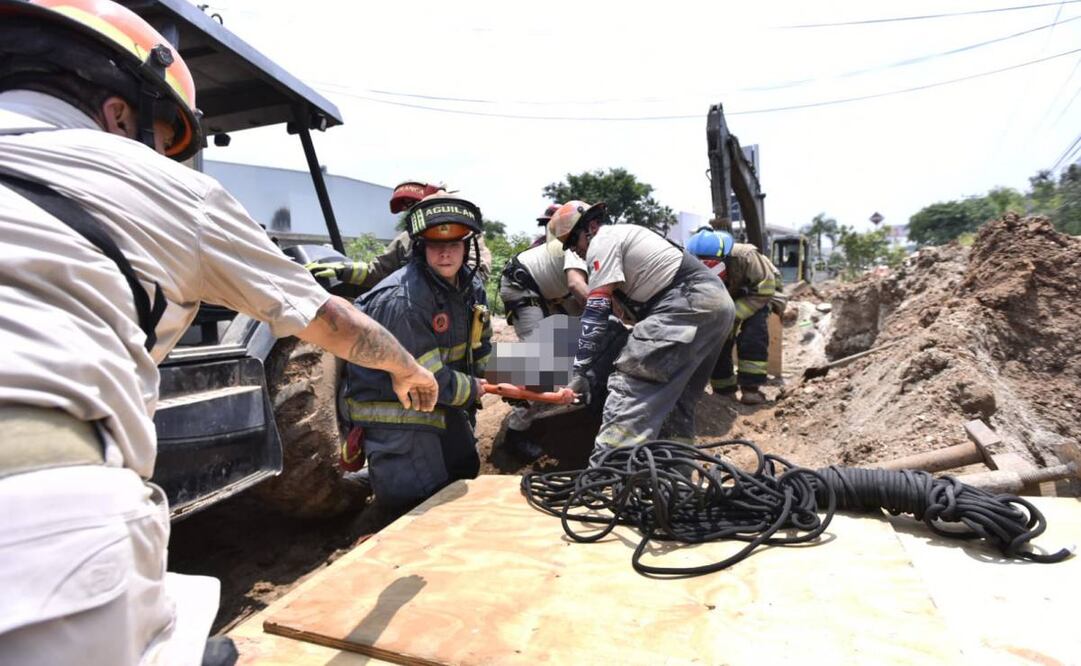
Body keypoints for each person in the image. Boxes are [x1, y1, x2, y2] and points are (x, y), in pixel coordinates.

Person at [0, 2, 438, 664]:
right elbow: (335, 321)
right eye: (162, 133)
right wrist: (408, 368)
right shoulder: (169, 191)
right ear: (120, 112)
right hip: (42, 524)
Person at [547, 201, 735, 457]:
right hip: (716, 304)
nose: (574, 252)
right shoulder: (630, 240)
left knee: (631, 384)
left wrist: (579, 371)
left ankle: (607, 474)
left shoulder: (603, 240)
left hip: (686, 301)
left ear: (591, 227)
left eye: (573, 243)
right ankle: (673, 477)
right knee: (676, 401)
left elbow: (596, 312)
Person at [342, 194, 492, 510]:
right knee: (417, 505)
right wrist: (478, 387)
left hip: (443, 406)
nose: (446, 252)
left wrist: (524, 380)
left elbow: (481, 350)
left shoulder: (470, 288)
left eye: (455, 243)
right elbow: (428, 379)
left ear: (468, 246)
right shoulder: (402, 300)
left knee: (464, 472)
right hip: (401, 418)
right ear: (420, 247)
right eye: (435, 245)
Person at [497, 226, 588, 459]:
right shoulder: (581, 247)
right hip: (523, 286)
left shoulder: (593, 245)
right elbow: (578, 287)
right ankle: (515, 434)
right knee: (543, 364)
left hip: (548, 292)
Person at [305, 180, 493, 291]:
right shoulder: (406, 239)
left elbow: (479, 273)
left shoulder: (465, 232)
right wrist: (342, 270)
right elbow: (378, 271)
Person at [686, 227, 785, 405]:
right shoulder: (686, 263)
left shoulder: (746, 256)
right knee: (716, 338)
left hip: (759, 294)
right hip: (723, 297)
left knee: (753, 331)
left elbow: (765, 289)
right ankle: (724, 391)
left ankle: (751, 389)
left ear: (724, 257)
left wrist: (733, 315)